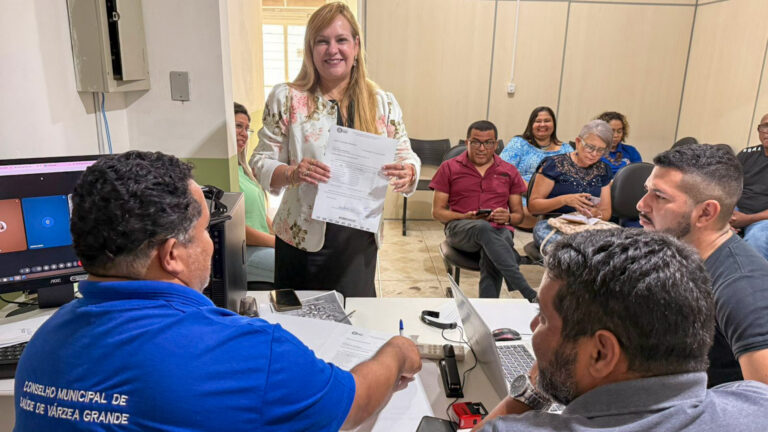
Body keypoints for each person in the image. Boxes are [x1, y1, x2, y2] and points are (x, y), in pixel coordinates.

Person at [13, 151, 421, 431]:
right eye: (206, 230)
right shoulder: (250, 353)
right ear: (171, 255)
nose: (212, 243)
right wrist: (397, 351)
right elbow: (353, 403)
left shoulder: (44, 344)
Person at [473, 229, 768, 432]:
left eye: (544, 317)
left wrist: (531, 392)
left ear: (602, 353)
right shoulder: (758, 404)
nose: (533, 327)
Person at [250, 2, 420, 297]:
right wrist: (292, 173)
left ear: (355, 45)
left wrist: (408, 172)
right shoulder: (288, 98)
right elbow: (259, 162)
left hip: (357, 244)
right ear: (310, 49)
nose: (332, 50)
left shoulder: (383, 102)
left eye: (341, 40)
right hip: (301, 240)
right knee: (299, 327)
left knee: (355, 324)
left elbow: (406, 154)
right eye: (322, 41)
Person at [637, 143, 768, 387]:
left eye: (660, 196)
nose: (641, 205)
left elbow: (762, 406)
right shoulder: (676, 252)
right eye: (647, 191)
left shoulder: (741, 288)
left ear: (706, 213)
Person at [430, 120, 537, 301]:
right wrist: (463, 216)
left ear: (495, 144)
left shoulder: (509, 171)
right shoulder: (449, 167)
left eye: (488, 143)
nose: (481, 148)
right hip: (460, 229)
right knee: (484, 228)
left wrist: (508, 217)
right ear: (467, 143)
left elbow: (519, 216)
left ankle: (488, 308)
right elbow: (437, 212)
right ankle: (528, 292)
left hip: (498, 231)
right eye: (476, 142)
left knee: (494, 242)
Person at [528, 120, 613, 252]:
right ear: (578, 142)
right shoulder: (555, 164)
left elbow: (606, 212)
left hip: (586, 227)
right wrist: (565, 200)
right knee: (573, 250)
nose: (594, 154)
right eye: (590, 147)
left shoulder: (603, 170)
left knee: (615, 248)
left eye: (600, 150)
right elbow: (533, 207)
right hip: (552, 224)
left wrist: (597, 214)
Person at [500, 107, 573, 228]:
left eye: (547, 121)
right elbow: (503, 170)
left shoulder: (566, 150)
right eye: (538, 121)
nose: (542, 124)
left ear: (553, 124)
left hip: (556, 199)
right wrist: (533, 193)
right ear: (531, 124)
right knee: (529, 214)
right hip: (522, 196)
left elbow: (574, 177)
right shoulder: (519, 143)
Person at [235, 102, 275, 283]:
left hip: (262, 246)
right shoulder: (226, 174)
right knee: (299, 267)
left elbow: (261, 214)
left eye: (246, 129)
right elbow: (237, 229)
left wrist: (281, 237)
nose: (244, 134)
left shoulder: (244, 170)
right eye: (238, 126)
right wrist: (277, 244)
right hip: (245, 252)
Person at [731, 113, 768, 260]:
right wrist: (725, 215)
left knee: (756, 240)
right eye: (765, 126)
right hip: (736, 209)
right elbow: (726, 186)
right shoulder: (747, 154)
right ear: (759, 130)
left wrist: (747, 219)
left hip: (763, 218)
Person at [596, 111, 642, 175]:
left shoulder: (631, 151)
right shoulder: (592, 152)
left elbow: (639, 175)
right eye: (611, 131)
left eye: (619, 131)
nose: (616, 135)